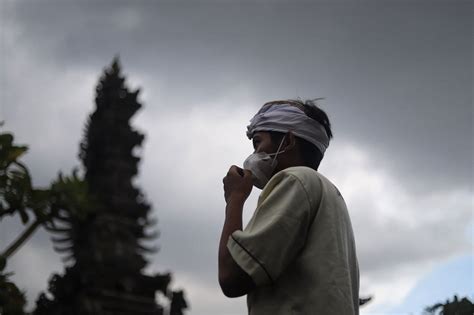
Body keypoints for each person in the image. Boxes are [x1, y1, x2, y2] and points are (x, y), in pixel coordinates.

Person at [219, 99, 359, 314]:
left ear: (289, 141)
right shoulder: (329, 194)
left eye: (258, 142)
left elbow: (232, 275)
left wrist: (235, 199)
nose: (254, 154)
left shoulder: (295, 179)